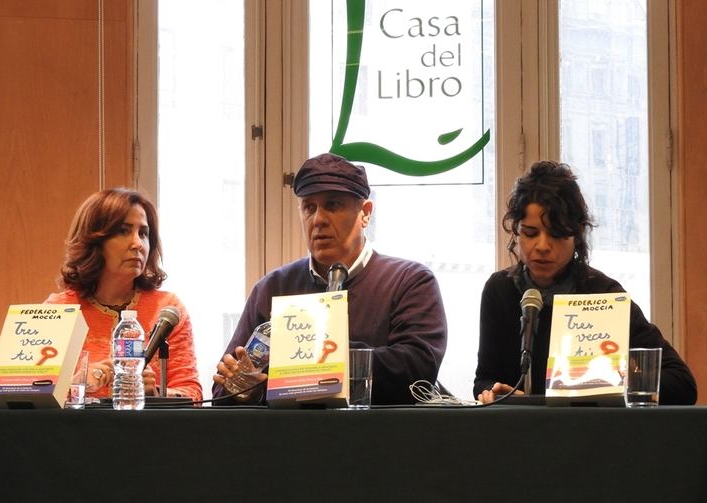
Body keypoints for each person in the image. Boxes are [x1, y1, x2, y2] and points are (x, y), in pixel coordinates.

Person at [213, 152, 447, 405]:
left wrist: (317, 356)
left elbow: (418, 369)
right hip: (291, 431)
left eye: (333, 205)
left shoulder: (408, 281)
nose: (319, 219)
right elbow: (224, 392)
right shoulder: (273, 288)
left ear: (365, 213)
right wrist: (247, 391)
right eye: (309, 207)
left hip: (379, 429)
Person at [474, 160, 697, 404]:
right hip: (520, 427)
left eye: (557, 234)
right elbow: (484, 379)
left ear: (577, 234)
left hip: (590, 428)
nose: (542, 246)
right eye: (530, 233)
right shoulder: (499, 289)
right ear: (515, 232)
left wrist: (609, 380)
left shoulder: (603, 294)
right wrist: (495, 392)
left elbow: (682, 383)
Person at [46, 187, 202, 400]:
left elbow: (193, 395)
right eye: (123, 231)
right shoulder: (58, 311)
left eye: (143, 233)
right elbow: (31, 396)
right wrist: (78, 383)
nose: (138, 244)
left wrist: (155, 394)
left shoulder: (168, 309)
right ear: (94, 241)